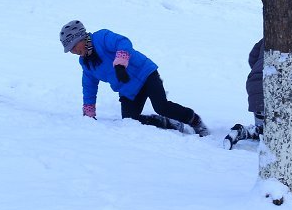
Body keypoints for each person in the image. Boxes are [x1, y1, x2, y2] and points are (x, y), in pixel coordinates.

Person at [60, 20, 210, 136]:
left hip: (146, 74)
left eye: (73, 46)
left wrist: (120, 64)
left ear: (81, 38)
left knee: (161, 106)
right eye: (70, 50)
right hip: (128, 89)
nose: (73, 51)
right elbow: (89, 87)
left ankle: (194, 120)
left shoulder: (101, 37)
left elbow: (123, 42)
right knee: (130, 121)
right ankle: (166, 123)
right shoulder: (86, 63)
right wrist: (89, 114)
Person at [225, 4, 292, 149]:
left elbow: (252, 57)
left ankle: (252, 130)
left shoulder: (271, 35)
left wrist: (260, 73)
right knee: (279, 133)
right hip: (276, 89)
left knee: (267, 129)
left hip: (255, 85)